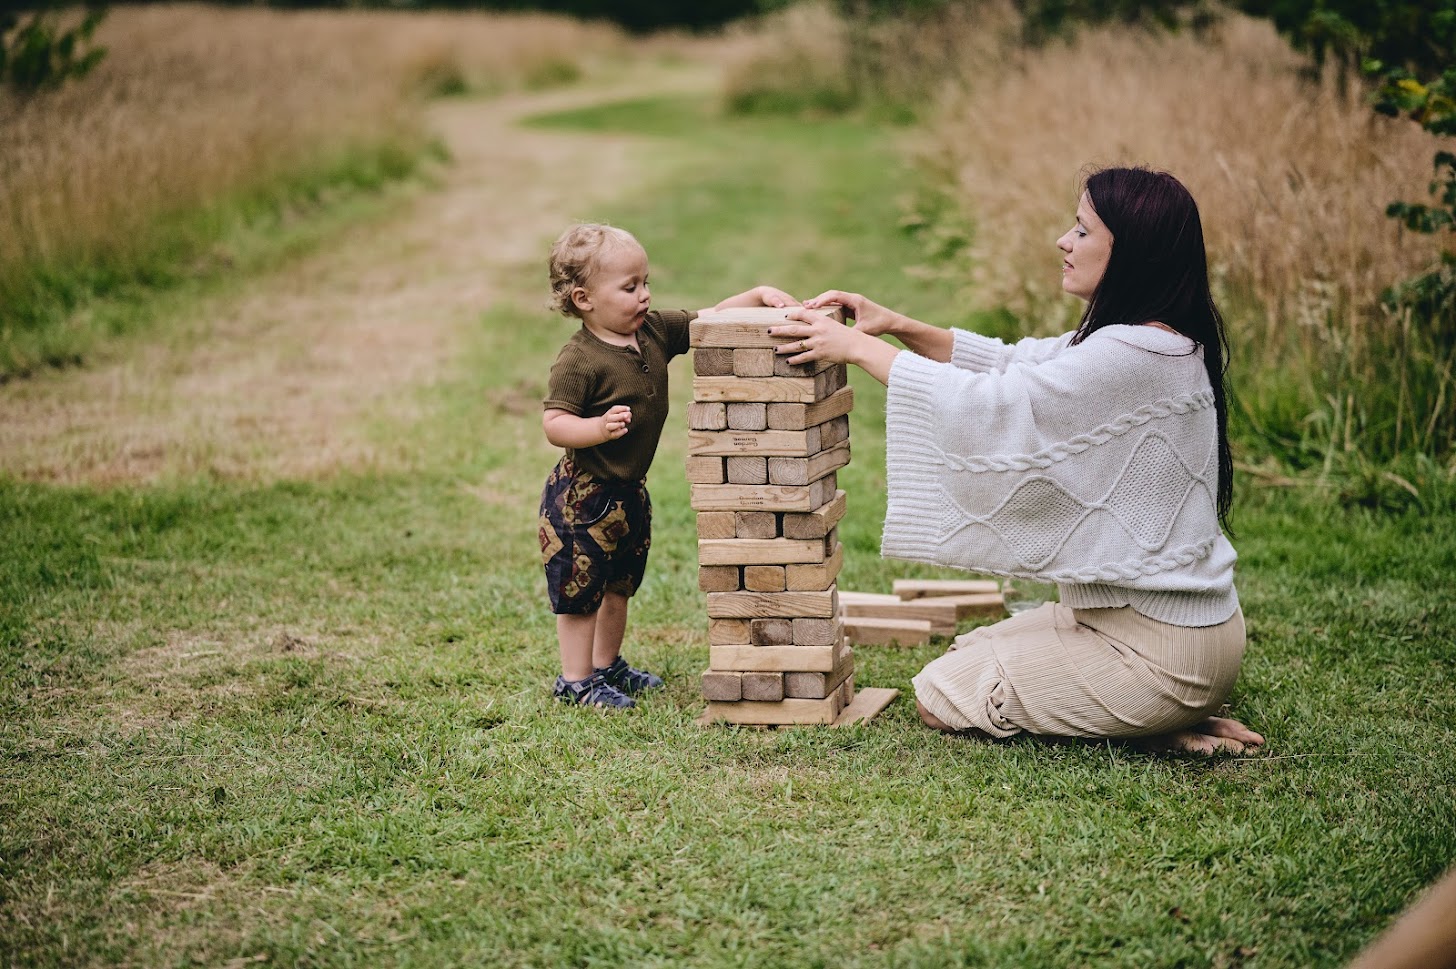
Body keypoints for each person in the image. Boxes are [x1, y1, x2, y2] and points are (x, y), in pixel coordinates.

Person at [765, 166, 1265, 754]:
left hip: (1160, 649)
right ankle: (1162, 711)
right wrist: (897, 326)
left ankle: (1161, 715)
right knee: (967, 655)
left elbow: (1000, 402)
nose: (1063, 241)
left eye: (1082, 231)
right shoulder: (1147, 337)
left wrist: (858, 347)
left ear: (1129, 252)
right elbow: (1015, 365)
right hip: (1143, 627)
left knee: (939, 696)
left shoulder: (1132, 356)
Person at [539, 222, 795, 709]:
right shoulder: (580, 359)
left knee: (619, 585)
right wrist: (595, 429)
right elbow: (555, 423)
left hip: (629, 493)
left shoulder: (652, 331)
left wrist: (757, 296)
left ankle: (605, 666)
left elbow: (710, 318)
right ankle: (575, 681)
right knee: (582, 588)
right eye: (629, 287)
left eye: (646, 282)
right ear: (584, 298)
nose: (645, 295)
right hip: (582, 498)